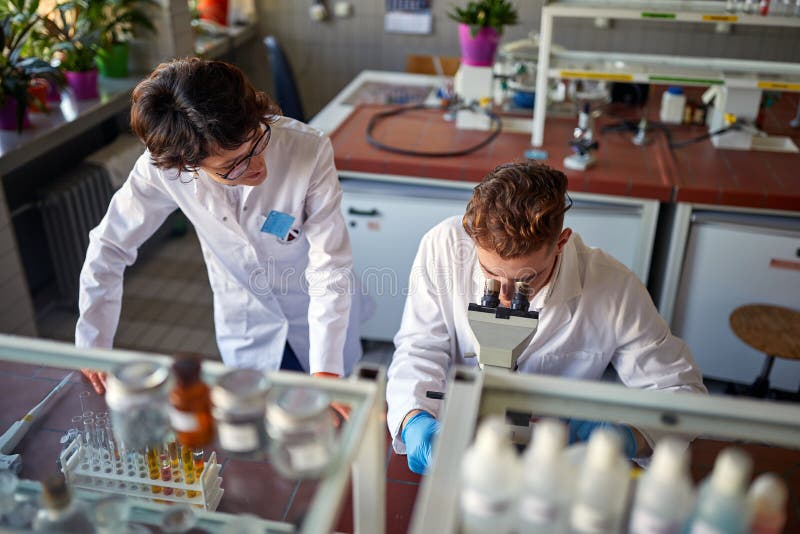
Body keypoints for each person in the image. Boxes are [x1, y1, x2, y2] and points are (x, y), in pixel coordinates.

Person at [386, 162, 707, 474]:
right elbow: (420, 347)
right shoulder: (442, 248)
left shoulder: (613, 287)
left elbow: (681, 393)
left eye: (526, 280)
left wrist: (631, 437)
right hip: (456, 442)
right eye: (491, 275)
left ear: (561, 243)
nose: (506, 297)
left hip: (558, 459)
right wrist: (414, 420)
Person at [76, 58, 366, 394]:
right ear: (188, 165)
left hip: (317, 313)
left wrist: (327, 370)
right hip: (247, 324)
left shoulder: (308, 149)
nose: (257, 165)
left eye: (257, 142)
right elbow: (110, 245)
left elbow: (330, 264)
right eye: (232, 165)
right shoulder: (164, 170)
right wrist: (93, 341)